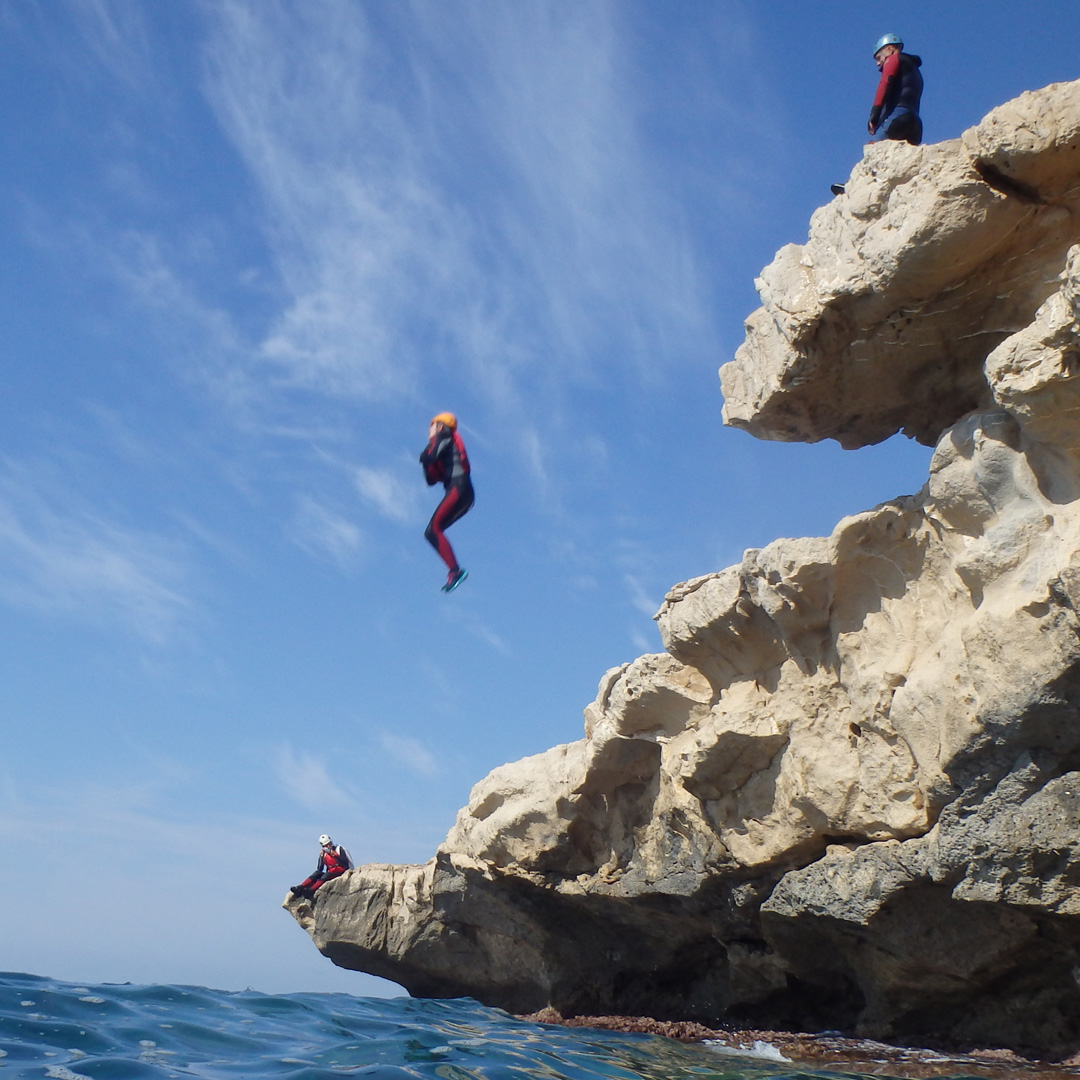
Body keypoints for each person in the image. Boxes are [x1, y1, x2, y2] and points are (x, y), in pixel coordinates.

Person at [830, 34, 923, 196]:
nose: (878, 63)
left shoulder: (894, 59)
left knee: (874, 151)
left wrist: (874, 115)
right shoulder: (914, 69)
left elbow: (885, 84)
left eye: (879, 57)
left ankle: (853, 186)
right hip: (915, 123)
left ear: (890, 49)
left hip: (898, 117)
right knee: (903, 163)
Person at [419, 412, 474, 592]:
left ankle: (455, 571)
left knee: (432, 530)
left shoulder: (443, 435)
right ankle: (454, 571)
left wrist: (424, 457)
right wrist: (426, 460)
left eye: (432, 425)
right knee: (433, 531)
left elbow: (431, 457)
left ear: (440, 426)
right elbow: (431, 480)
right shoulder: (442, 441)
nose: (429, 429)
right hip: (464, 492)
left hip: (459, 487)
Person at [290, 834, 351, 900]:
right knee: (317, 873)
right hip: (331, 871)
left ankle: (311, 890)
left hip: (340, 870)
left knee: (326, 875)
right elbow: (320, 868)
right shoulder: (324, 853)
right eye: (325, 845)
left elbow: (345, 862)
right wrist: (321, 857)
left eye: (329, 844)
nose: (328, 846)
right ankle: (300, 888)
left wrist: (334, 854)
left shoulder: (339, 849)